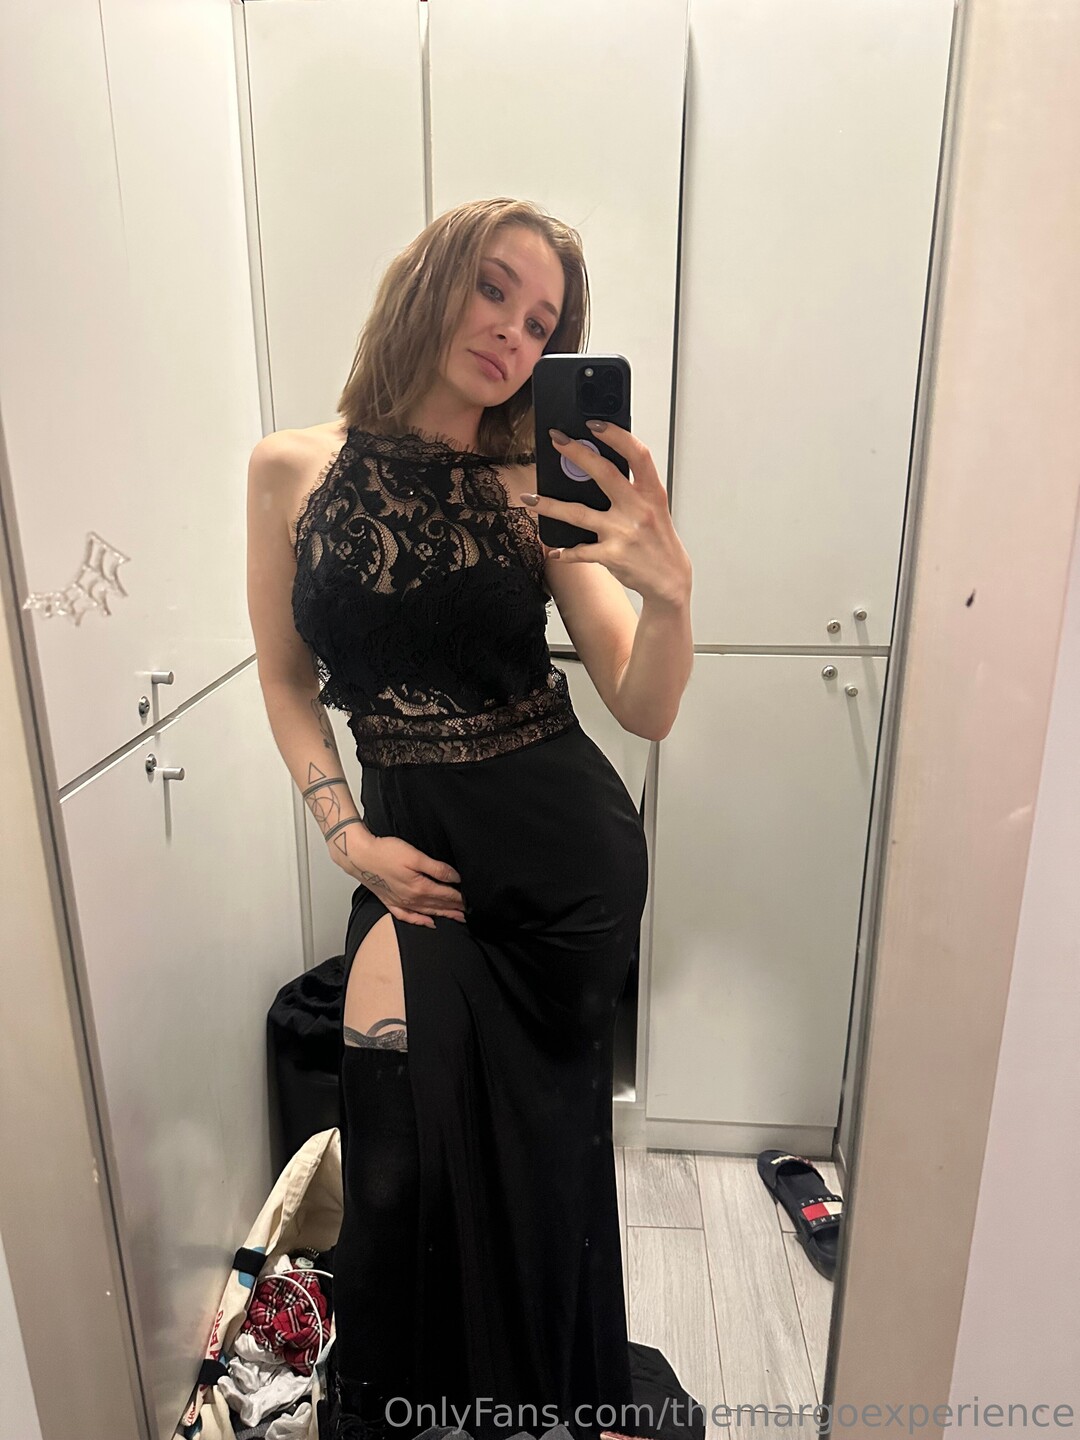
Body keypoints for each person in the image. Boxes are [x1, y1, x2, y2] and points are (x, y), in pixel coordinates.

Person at [246, 198, 694, 1440]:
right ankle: (422, 1410)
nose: (512, 332)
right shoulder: (289, 468)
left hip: (562, 872)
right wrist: (346, 837)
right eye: (494, 289)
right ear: (430, 280)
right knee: (396, 1150)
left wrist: (669, 595)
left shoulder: (535, 489)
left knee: (543, 1165)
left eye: (542, 321)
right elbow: (285, 679)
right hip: (411, 861)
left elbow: (643, 703)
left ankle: (541, 1401)